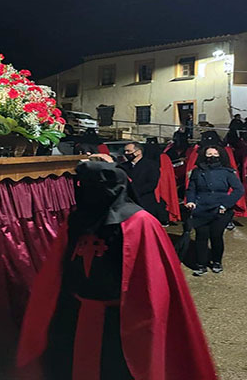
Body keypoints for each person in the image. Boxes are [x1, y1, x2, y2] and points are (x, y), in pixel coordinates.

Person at [16, 161, 217, 380]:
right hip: (75, 314)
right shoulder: (76, 220)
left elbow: (152, 284)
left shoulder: (140, 222)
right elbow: (58, 271)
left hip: (120, 323)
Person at [185, 147, 245, 276]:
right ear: (204, 156)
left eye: (215, 154)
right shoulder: (197, 172)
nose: (212, 156)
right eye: (209, 154)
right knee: (201, 237)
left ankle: (217, 262)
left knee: (216, 237)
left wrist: (226, 205)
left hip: (220, 209)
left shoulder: (227, 172)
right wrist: (190, 201)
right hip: (201, 208)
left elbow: (239, 190)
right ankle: (201, 265)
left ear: (220, 155)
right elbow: (191, 189)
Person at [119, 142, 167, 224]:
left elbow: (152, 184)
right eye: (125, 151)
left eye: (129, 151)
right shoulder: (123, 166)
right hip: (128, 202)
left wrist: (134, 192)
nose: (126, 153)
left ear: (138, 152)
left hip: (145, 202)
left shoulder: (151, 165)